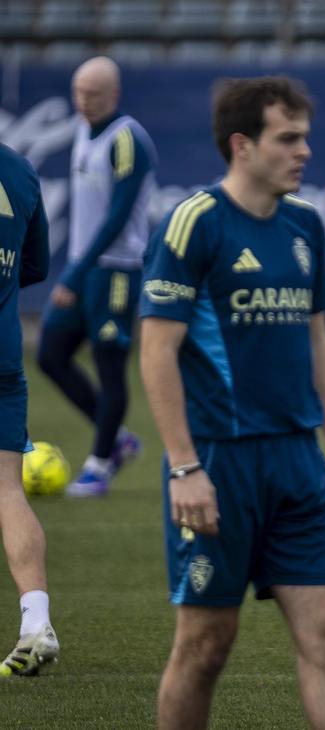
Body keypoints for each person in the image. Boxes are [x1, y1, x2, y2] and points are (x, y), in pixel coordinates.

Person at [139, 76, 325, 729]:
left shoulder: (303, 225)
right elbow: (156, 351)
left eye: (305, 137)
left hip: (299, 464)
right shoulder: (195, 224)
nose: (303, 152)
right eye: (287, 138)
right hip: (219, 462)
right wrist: (184, 466)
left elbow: (317, 339)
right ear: (242, 145)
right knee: (206, 647)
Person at [37, 56, 155, 497]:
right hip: (85, 269)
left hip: (116, 272)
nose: (83, 102)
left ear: (114, 95)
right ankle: (118, 439)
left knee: (110, 366)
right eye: (78, 93)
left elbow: (117, 218)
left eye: (93, 94)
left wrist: (74, 271)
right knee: (50, 355)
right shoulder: (82, 130)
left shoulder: (128, 141)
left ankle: (100, 463)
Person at [0, 143, 56, 677]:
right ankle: (35, 621)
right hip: (5, 354)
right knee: (7, 490)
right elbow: (35, 264)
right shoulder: (20, 168)